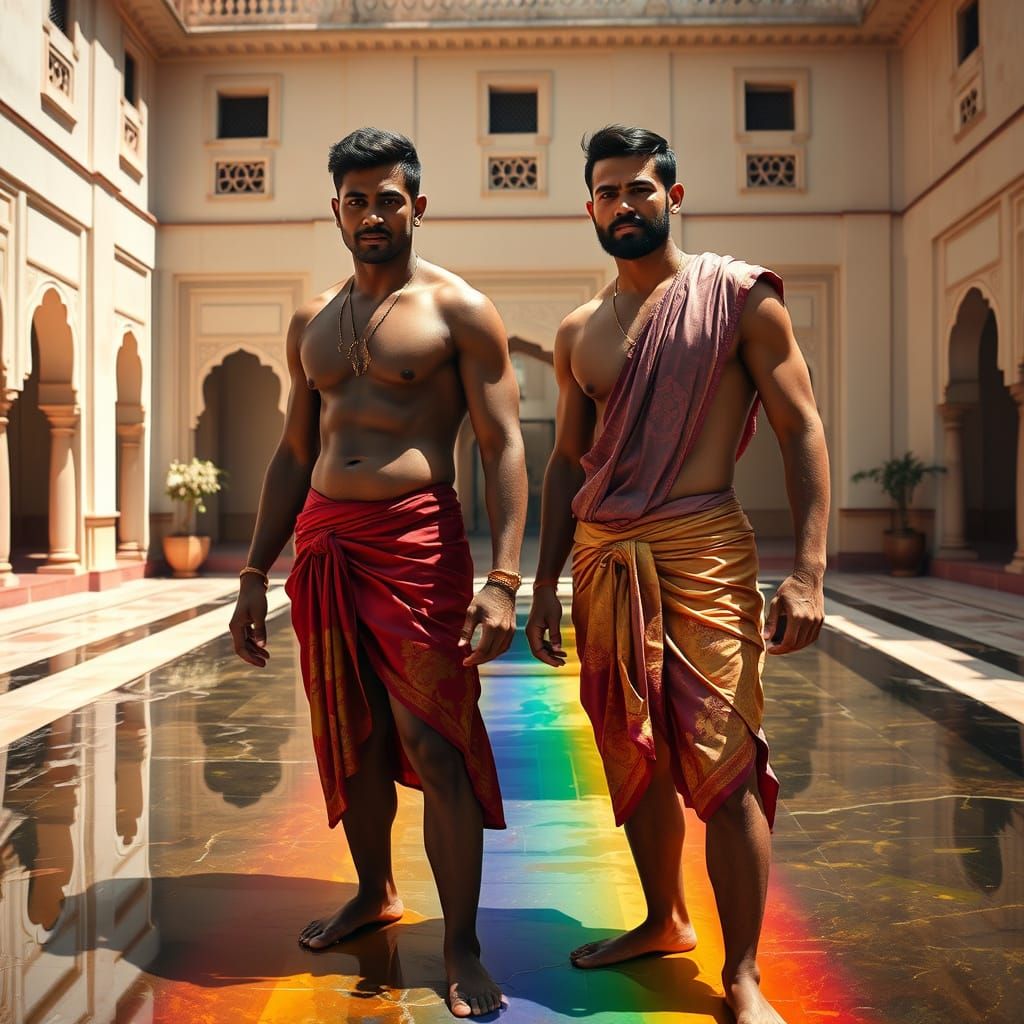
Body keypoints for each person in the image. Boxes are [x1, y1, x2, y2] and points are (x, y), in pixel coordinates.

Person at [526, 125, 829, 1024]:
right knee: (634, 748)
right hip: (604, 560)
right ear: (590, 208)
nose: (626, 204)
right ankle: (663, 918)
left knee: (725, 764)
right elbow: (565, 464)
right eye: (609, 192)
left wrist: (808, 571)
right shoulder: (579, 331)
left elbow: (800, 427)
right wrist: (542, 584)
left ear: (674, 195)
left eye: (642, 189)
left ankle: (741, 975)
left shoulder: (737, 299)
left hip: (702, 550)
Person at [229, 127, 527, 1019]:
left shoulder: (459, 311)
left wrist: (507, 579)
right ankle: (374, 891)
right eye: (356, 200)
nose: (372, 214)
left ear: (417, 206)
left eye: (389, 198)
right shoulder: (312, 322)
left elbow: (505, 445)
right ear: (336, 210)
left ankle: (463, 941)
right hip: (324, 543)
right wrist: (251, 572)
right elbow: (292, 452)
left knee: (435, 741)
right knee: (350, 732)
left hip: (417, 542)